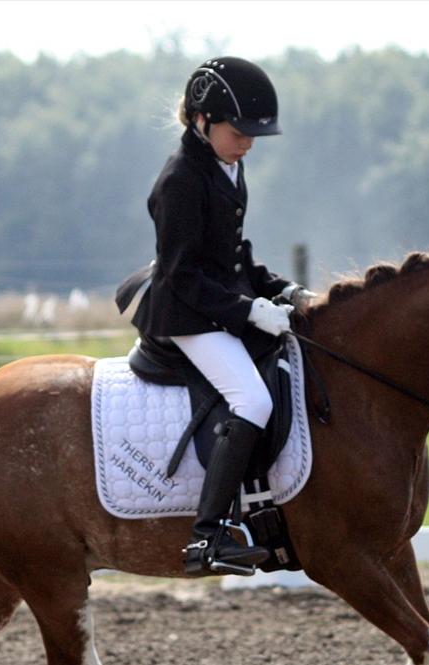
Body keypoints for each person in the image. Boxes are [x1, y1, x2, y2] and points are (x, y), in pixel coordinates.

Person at [124, 57, 314, 576]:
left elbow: (235, 256)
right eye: (240, 132)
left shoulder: (228, 164)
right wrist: (249, 310)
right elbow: (185, 275)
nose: (249, 142)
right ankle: (206, 538)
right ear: (203, 121)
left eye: (255, 134)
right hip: (185, 313)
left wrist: (285, 291)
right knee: (250, 399)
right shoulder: (181, 179)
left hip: (214, 301)